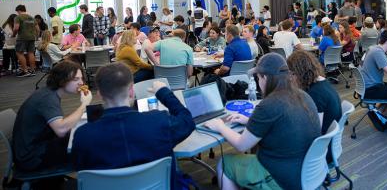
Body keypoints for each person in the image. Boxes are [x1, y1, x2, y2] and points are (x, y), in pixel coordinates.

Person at [203, 53, 321, 190]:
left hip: (280, 179)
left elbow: (242, 145)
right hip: (307, 172)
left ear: (265, 77)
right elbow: (285, 124)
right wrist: (250, 121)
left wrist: (220, 127)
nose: (258, 83)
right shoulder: (303, 95)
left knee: (224, 163)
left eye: (258, 78)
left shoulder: (269, 105)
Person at [72, 63, 195, 190]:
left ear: (99, 95)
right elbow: (187, 120)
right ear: (131, 91)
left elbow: (79, 166)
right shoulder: (159, 122)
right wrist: (163, 92)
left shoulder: (83, 136)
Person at [13, 61, 92, 174]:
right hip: (31, 157)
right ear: (61, 80)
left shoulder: (49, 93)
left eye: (81, 79)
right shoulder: (48, 99)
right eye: (75, 79)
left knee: (82, 137)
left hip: (34, 145)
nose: (81, 83)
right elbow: (61, 130)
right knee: (87, 149)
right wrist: (84, 105)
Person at [13, 5, 39, 77]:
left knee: (19, 53)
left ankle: (25, 71)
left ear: (19, 10)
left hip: (22, 38)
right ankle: (32, 70)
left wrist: (13, 35)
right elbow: (38, 29)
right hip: (32, 38)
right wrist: (36, 37)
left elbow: (16, 28)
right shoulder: (31, 18)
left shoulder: (18, 17)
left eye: (17, 12)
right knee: (31, 53)